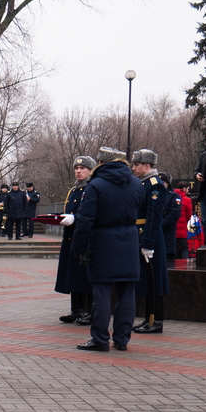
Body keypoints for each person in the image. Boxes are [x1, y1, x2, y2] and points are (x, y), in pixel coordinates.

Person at [72, 147, 144, 351]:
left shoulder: (96, 185)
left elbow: (85, 219)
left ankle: (100, 339)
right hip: (129, 241)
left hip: (102, 241)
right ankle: (122, 339)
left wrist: (79, 246)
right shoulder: (137, 183)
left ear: (102, 163)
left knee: (102, 295)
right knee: (127, 294)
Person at [131, 150, 169, 334]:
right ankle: (148, 319)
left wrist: (147, 242)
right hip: (141, 234)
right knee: (147, 280)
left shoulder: (155, 185)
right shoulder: (143, 183)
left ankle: (156, 320)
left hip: (150, 236)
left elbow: (154, 218)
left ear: (147, 166)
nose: (134, 168)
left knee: (155, 281)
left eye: (137, 165)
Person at [54, 156, 94, 324]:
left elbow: (91, 214)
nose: (78, 171)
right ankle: (76, 310)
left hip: (86, 237)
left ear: (90, 170)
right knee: (74, 274)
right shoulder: (74, 190)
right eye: (76, 168)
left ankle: (89, 311)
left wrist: (75, 218)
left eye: (83, 168)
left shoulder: (92, 188)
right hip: (72, 237)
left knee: (86, 276)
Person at [172, 180, 193, 259]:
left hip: (172, 228)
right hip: (182, 229)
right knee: (184, 248)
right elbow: (188, 215)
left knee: (173, 248)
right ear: (184, 189)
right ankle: (184, 266)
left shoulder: (172, 196)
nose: (188, 191)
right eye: (188, 189)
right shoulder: (187, 200)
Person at [195, 137, 206, 242]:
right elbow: (196, 170)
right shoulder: (204, 156)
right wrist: (197, 175)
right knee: (205, 221)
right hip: (205, 192)